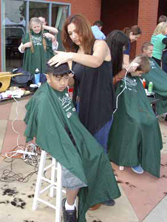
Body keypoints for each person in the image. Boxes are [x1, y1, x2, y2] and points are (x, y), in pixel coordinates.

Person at [24, 63, 120, 222]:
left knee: (98, 154)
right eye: (58, 79)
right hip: (58, 140)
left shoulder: (60, 91)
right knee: (75, 167)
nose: (63, 83)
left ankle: (97, 193)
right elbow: (46, 130)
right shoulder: (44, 98)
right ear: (47, 77)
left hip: (72, 133)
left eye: (66, 78)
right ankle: (69, 206)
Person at [48, 13, 116, 208]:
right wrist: (58, 78)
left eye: (76, 31)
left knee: (98, 151)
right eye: (70, 34)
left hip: (101, 107)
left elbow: (95, 62)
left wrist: (69, 55)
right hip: (82, 106)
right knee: (85, 150)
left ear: (84, 28)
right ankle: (91, 189)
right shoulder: (75, 53)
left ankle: (101, 192)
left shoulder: (99, 45)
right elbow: (73, 79)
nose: (74, 36)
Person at [107, 54, 163, 177]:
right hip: (123, 112)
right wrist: (126, 69)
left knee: (152, 121)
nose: (141, 76)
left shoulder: (137, 79)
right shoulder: (121, 75)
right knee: (136, 124)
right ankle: (132, 159)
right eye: (140, 73)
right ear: (135, 69)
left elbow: (139, 98)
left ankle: (145, 156)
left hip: (136, 110)